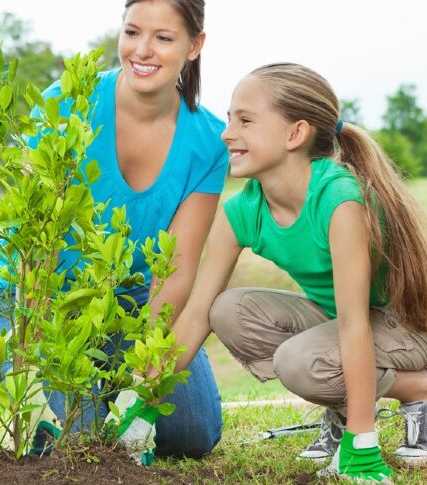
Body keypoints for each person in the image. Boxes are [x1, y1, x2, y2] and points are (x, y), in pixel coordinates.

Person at [158, 62, 427, 482]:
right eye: (229, 119)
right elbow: (197, 314)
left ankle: (418, 391)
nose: (227, 133)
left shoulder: (339, 199)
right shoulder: (242, 211)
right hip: (345, 323)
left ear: (295, 133)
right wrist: (142, 399)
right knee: (228, 309)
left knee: (300, 362)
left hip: (408, 327)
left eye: (245, 120)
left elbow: (355, 324)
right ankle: (347, 401)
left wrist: (363, 443)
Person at [0, 0, 228, 459]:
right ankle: (72, 404)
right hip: (45, 292)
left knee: (193, 434)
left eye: (163, 38)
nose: (143, 50)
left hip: (133, 298)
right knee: (81, 443)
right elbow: (34, 232)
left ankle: (115, 383)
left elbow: (176, 269)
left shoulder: (207, 142)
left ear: (194, 45)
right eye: (133, 32)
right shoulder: (68, 103)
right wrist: (33, 334)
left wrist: (145, 373)